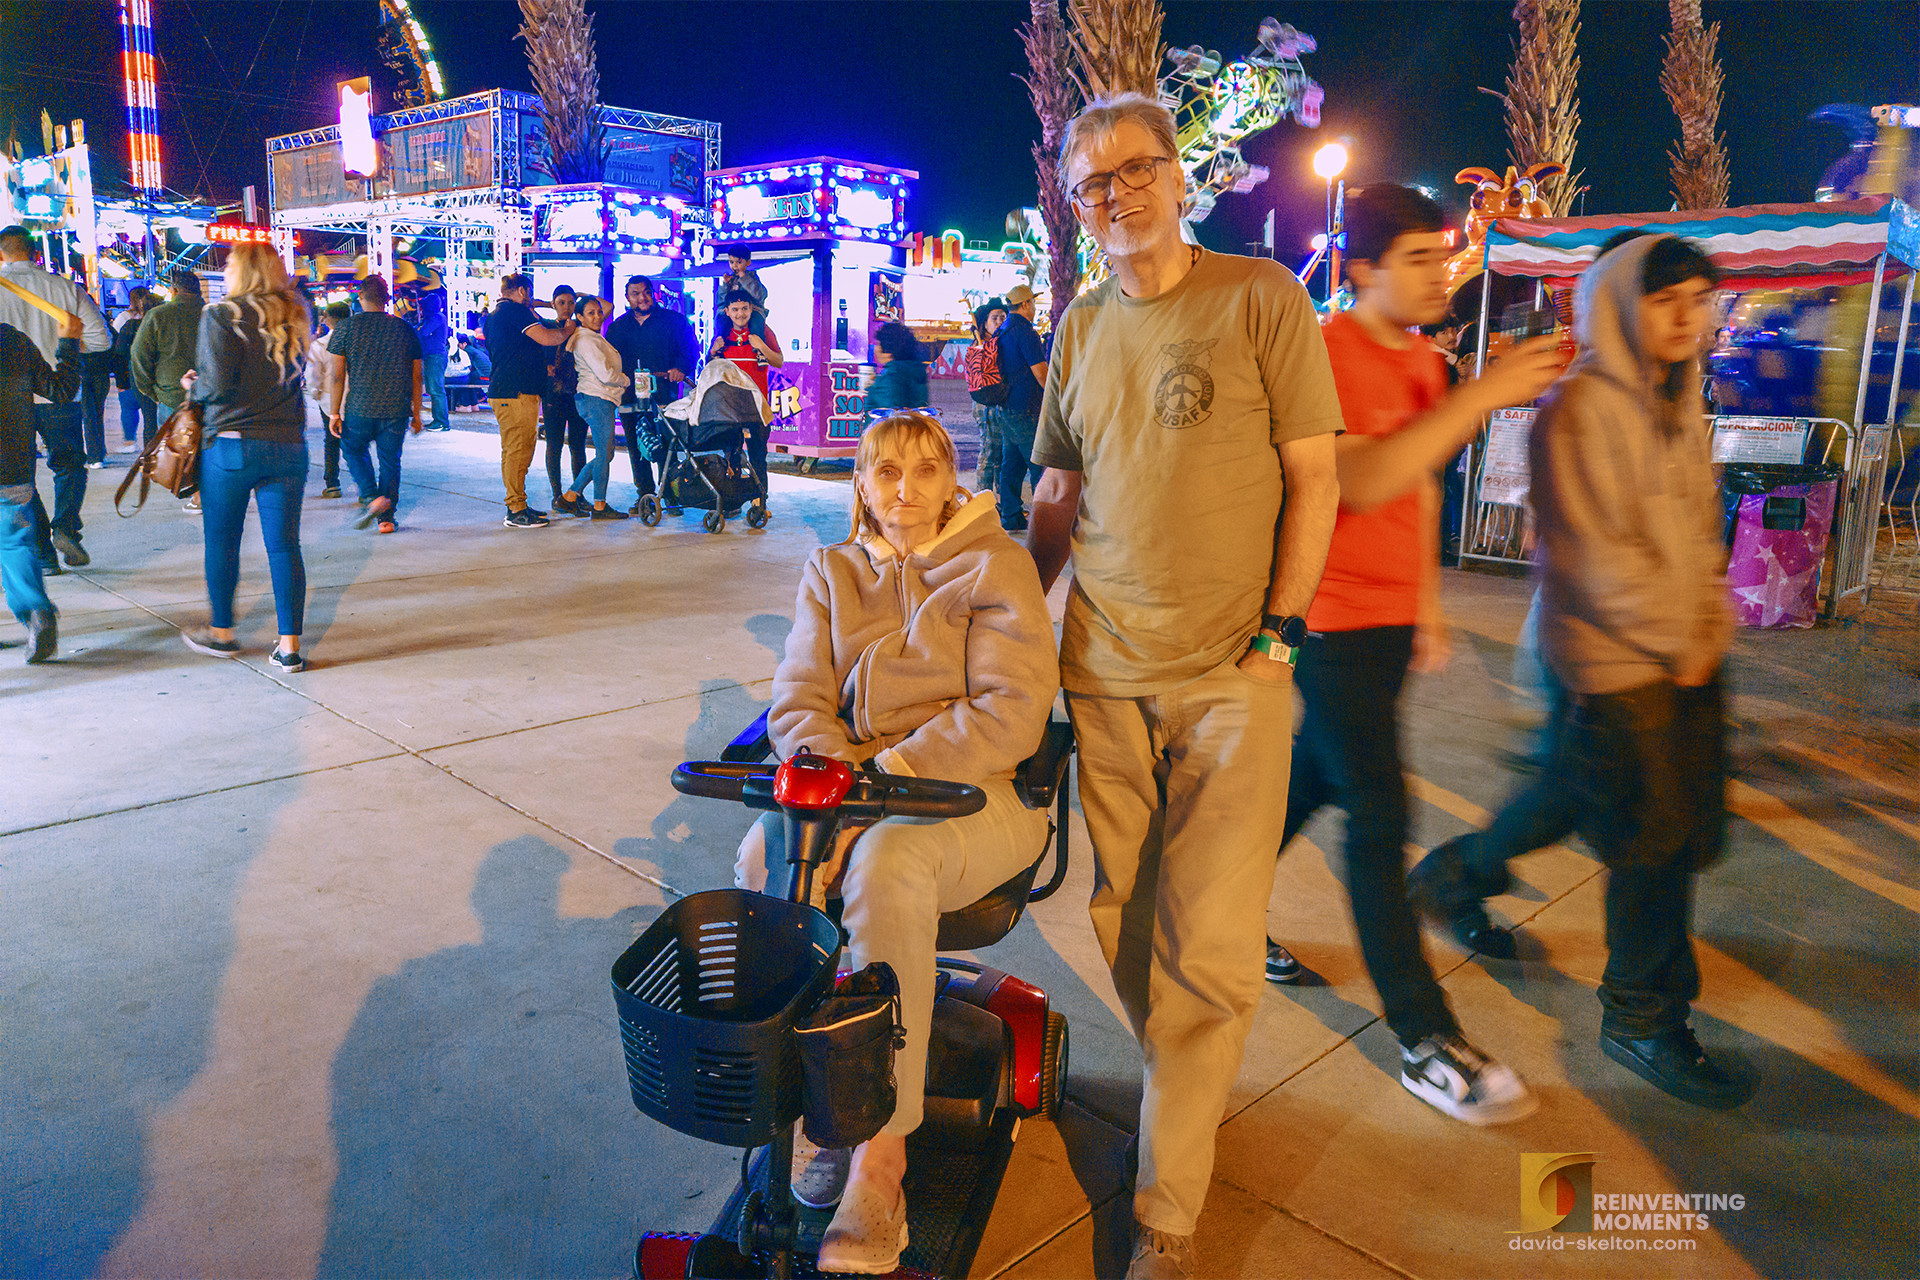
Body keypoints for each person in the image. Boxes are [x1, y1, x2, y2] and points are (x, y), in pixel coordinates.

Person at [1025, 93, 1343, 1279]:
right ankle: (1186, 1096)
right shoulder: (1074, 324)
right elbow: (1054, 501)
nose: (1117, 196)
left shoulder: (1263, 297)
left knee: (1205, 949)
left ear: (1178, 174)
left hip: (1230, 677)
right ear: (1076, 200)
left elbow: (1314, 477)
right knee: (1121, 917)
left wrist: (1280, 636)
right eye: (1093, 182)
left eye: (1136, 170)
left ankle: (1167, 1216)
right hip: (1102, 674)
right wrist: (1006, 631)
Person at [1261, 185, 1565, 1127]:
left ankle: (1189, 909)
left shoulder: (1430, 369)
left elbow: (1422, 492)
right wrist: (1485, 394)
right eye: (1422, 260)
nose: (1444, 273)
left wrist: (1426, 606)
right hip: (1328, 623)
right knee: (1378, 819)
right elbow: (1362, 480)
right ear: (1363, 271)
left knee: (1304, 788)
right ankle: (1425, 1039)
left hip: (1387, 628)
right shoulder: (1325, 352)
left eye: (1445, 257)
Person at [1429, 233, 1752, 1111]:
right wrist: (1679, 636)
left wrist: (1711, 617)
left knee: (1577, 800)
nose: (1688, 317)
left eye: (1699, 299)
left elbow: (1695, 535)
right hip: (1621, 666)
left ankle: (1454, 876)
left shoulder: (1673, 399)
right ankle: (1643, 1017)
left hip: (1681, 662)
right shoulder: (1581, 409)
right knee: (1653, 847)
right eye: (1665, 299)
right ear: (1617, 304)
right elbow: (1592, 558)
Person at [736, 412, 1057, 1271]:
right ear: (862, 487)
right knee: (766, 856)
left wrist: (869, 799)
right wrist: (836, 793)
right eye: (886, 473)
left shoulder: (998, 563)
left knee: (886, 862)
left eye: (925, 469)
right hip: (852, 791)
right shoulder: (830, 570)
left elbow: (1010, 711)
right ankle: (817, 1102)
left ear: (953, 479)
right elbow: (800, 697)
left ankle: (881, 1157)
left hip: (972, 792)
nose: (905, 489)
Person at [178, 243, 313, 673]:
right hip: (288, 445)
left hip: (233, 445)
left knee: (222, 541)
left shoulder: (221, 315)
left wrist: (191, 386)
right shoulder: (293, 314)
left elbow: (215, 386)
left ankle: (222, 634)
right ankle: (289, 647)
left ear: (239, 272)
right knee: (284, 545)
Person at [0, 225, 111, 571]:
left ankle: (44, 555)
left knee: (20, 479)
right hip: (60, 392)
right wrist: (68, 346)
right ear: (34, 252)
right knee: (69, 464)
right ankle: (65, 527)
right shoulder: (64, 288)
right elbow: (100, 340)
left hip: (10, 399)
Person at [2, 313, 83, 662]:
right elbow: (61, 390)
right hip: (12, 467)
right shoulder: (11, 341)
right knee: (15, 544)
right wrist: (68, 344)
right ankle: (37, 611)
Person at [327, 274, 422, 534]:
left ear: (360, 298)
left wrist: (334, 412)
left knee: (352, 447)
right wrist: (417, 412)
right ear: (387, 299)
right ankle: (386, 520)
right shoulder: (404, 328)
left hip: (360, 406)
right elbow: (417, 375)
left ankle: (371, 496)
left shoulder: (345, 328)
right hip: (396, 408)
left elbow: (337, 375)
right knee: (390, 461)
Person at [485, 273, 574, 528]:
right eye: (531, 293)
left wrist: (542, 306)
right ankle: (515, 509)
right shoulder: (514, 312)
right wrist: (567, 329)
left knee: (515, 449)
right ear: (523, 291)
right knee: (518, 449)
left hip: (510, 390)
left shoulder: (497, 314)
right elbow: (548, 337)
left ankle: (517, 503)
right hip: (516, 391)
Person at [605, 276, 698, 514]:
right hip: (629, 399)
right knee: (638, 449)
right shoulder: (618, 327)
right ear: (627, 297)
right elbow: (609, 362)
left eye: (646, 292)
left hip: (665, 397)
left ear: (654, 293)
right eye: (635, 294)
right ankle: (645, 497)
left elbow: (690, 351)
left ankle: (671, 496)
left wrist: (680, 368)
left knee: (668, 446)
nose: (642, 298)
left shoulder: (674, 322)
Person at [132, 268, 207, 512]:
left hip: (172, 395)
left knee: (185, 451)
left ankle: (198, 497)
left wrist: (151, 390)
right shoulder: (213, 315)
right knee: (210, 447)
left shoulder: (157, 315)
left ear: (173, 290)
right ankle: (213, 494)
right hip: (213, 395)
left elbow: (139, 356)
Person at [552, 295, 629, 519]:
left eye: (598, 312)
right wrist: (625, 380)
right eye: (590, 313)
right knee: (604, 454)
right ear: (579, 317)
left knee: (606, 454)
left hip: (598, 398)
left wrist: (587, 300)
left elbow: (606, 307)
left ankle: (569, 496)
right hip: (598, 398)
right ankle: (599, 505)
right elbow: (605, 374)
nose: (597, 316)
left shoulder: (590, 336)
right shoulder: (586, 340)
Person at [711, 290, 783, 495]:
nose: (740, 314)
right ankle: (732, 501)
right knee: (731, 457)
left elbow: (778, 361)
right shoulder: (722, 335)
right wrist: (712, 350)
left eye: (744, 309)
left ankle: (759, 502)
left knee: (758, 458)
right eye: (735, 309)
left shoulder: (764, 332)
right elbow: (710, 367)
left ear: (752, 309)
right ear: (727, 311)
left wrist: (762, 347)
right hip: (729, 409)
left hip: (757, 409)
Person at [994, 283, 1048, 531]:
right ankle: (1044, 519)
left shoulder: (1002, 330)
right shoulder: (1026, 332)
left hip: (1007, 407)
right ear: (1025, 304)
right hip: (1027, 407)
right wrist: (1054, 398)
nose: (1034, 307)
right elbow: (1040, 373)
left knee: (1012, 465)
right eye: (1033, 303)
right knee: (1039, 464)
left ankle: (1011, 515)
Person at [539, 285, 590, 514]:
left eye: (570, 303)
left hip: (578, 392)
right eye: (561, 302)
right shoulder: (546, 326)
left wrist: (582, 297)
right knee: (555, 444)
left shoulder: (581, 327)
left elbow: (608, 307)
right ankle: (557, 494)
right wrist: (546, 304)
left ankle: (577, 494)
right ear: (553, 304)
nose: (567, 307)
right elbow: (528, 306)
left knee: (578, 445)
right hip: (553, 394)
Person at [307, 302, 351, 497]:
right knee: (355, 443)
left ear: (329, 320)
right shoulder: (359, 343)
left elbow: (313, 375)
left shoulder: (319, 345)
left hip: (328, 401)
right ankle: (365, 486)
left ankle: (332, 483)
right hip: (357, 400)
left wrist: (316, 393)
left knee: (331, 441)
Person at [968, 302, 1008, 493]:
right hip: (986, 405)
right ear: (984, 323)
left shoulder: (999, 341)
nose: (999, 322)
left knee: (1001, 453)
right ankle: (983, 498)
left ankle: (1001, 500)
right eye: (994, 318)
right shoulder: (980, 346)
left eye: (1002, 317)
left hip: (999, 403)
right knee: (989, 451)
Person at [111, 288, 158, 451]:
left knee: (130, 407)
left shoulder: (127, 321)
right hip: (160, 376)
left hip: (134, 374)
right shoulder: (162, 322)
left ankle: (132, 443)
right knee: (153, 416)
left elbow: (118, 348)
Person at [79, 290, 114, 467]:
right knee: (97, 412)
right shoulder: (102, 320)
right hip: (101, 372)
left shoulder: (72, 321)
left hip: (82, 372)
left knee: (88, 414)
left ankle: (94, 456)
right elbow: (113, 343)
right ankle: (100, 450)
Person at [412, 277, 452, 431]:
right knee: (433, 389)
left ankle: (442, 422)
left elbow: (422, 332)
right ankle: (439, 420)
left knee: (436, 390)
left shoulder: (437, 318)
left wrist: (419, 329)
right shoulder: (431, 318)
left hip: (435, 356)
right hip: (431, 356)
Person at [864, 321, 927, 412]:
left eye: (878, 344)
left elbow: (890, 416)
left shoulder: (891, 377)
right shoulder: (917, 371)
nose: (875, 349)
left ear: (887, 350)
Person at [715, 249, 768, 320]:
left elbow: (760, 296)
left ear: (748, 262)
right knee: (722, 321)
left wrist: (744, 278)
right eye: (732, 262)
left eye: (739, 262)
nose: (735, 266)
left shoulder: (752, 278)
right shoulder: (730, 279)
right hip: (731, 312)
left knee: (756, 323)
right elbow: (720, 301)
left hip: (752, 312)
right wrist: (725, 285)